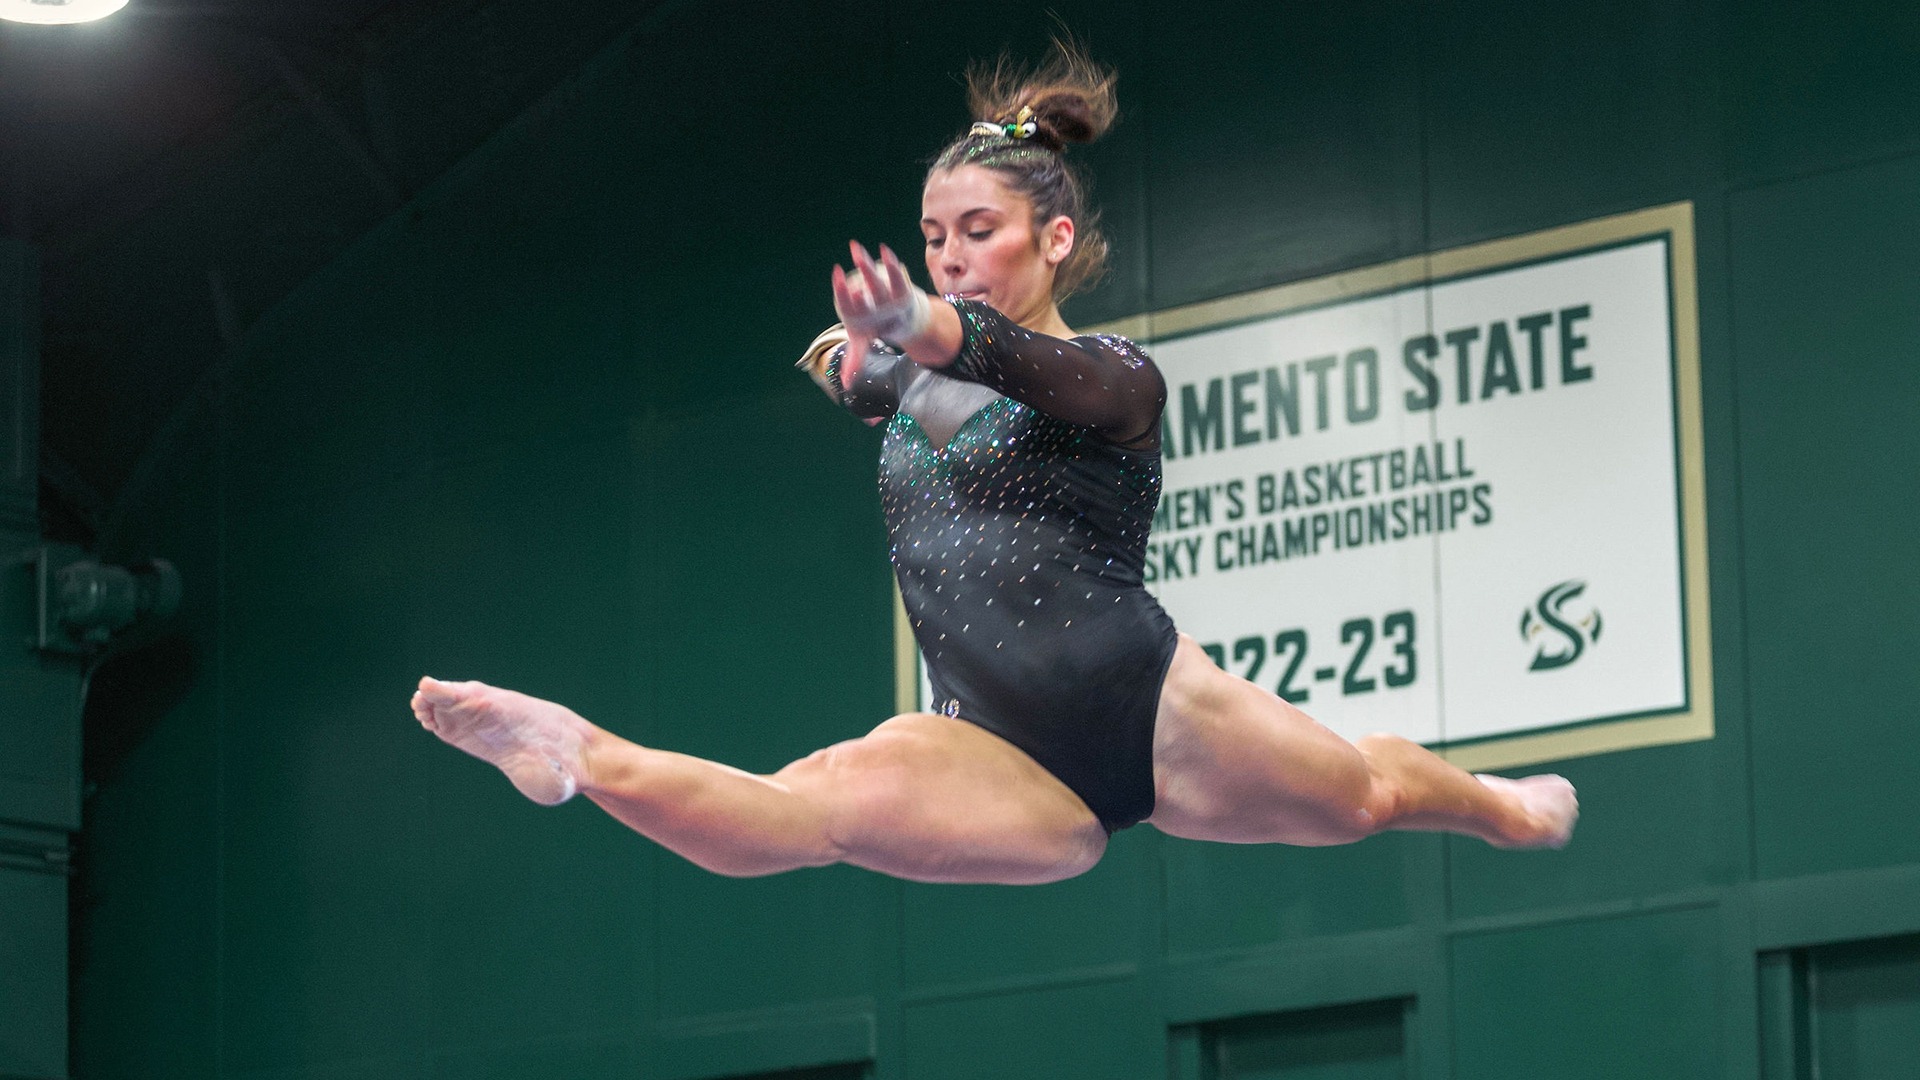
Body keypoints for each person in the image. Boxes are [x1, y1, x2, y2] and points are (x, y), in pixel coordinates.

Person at [410, 41, 1577, 885]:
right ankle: (579, 752)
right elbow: (853, 365)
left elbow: (991, 352)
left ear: (1052, 239)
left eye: (979, 231)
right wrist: (851, 347)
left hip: (1155, 709)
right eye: (933, 237)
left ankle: (1505, 812)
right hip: (988, 741)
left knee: (1364, 797)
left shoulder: (1113, 379)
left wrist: (907, 323)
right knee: (808, 811)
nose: (953, 255)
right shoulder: (905, 380)